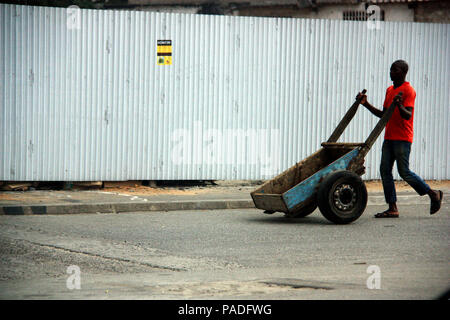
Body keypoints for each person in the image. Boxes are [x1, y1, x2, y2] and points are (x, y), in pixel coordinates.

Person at [356, 60, 443, 218]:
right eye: (390, 69)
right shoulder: (390, 90)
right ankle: (393, 208)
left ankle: (433, 193)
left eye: (394, 70)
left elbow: (407, 115)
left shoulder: (409, 90)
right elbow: (384, 115)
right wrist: (365, 103)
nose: (391, 72)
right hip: (389, 137)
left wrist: (399, 105)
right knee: (384, 170)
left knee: (404, 172)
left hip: (403, 138)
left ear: (403, 72)